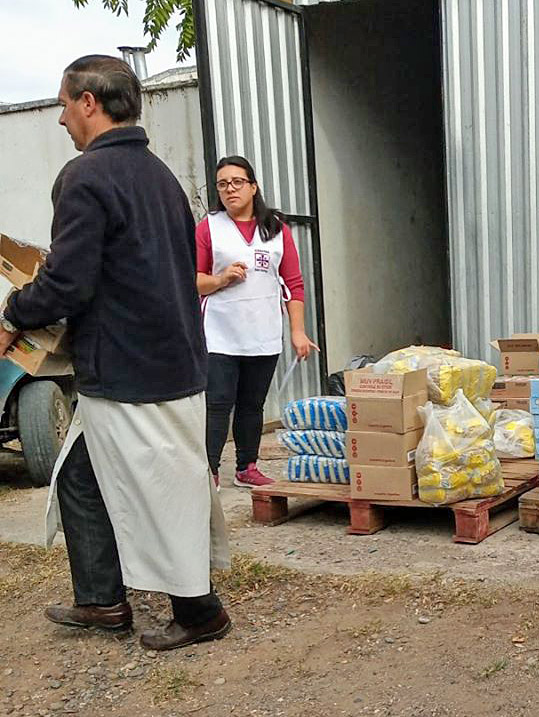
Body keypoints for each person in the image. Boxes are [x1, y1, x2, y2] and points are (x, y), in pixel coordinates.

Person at [0, 55, 231, 651]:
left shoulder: (85, 177)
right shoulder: (160, 176)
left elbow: (70, 283)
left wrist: (13, 316)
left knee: (164, 486)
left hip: (128, 365)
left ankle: (200, 611)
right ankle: (102, 600)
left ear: (88, 103)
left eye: (62, 103)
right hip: (169, 357)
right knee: (79, 474)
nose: (59, 118)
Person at [195, 156, 316, 490]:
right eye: (222, 184)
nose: (230, 189)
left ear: (253, 186)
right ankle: (210, 471)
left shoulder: (275, 228)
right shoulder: (209, 227)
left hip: (263, 332)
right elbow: (193, 280)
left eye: (237, 182)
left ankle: (247, 466)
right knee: (217, 403)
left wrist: (297, 331)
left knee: (253, 404)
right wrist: (220, 279)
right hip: (220, 333)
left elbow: (293, 283)